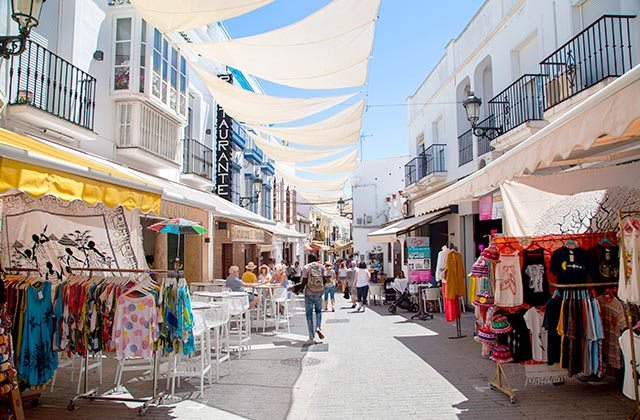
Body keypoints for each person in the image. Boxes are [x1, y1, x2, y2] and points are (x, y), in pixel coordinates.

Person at [301, 254, 325, 344]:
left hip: (309, 293)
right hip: (319, 292)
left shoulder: (306, 267)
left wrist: (299, 289)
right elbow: (324, 279)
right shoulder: (321, 267)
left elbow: (304, 281)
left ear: (308, 259)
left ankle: (311, 337)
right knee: (318, 311)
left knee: (309, 315)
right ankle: (318, 327)